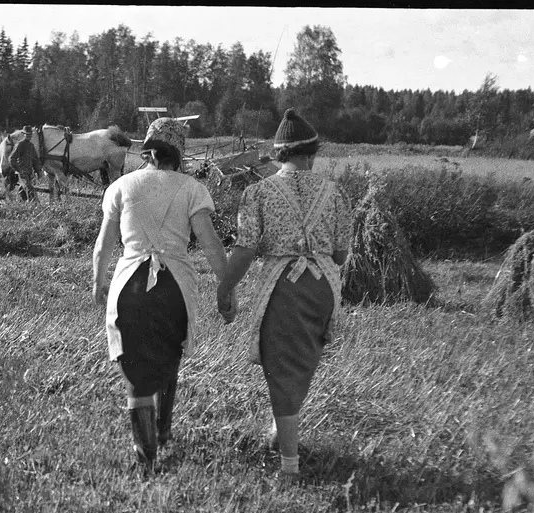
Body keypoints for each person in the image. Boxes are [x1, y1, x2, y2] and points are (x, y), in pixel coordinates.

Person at [216, 108, 351, 481]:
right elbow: (341, 255)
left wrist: (225, 287)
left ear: (279, 154)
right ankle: (280, 429)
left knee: (283, 370)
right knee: (301, 361)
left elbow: (245, 249)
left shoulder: (258, 193)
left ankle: (290, 467)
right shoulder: (336, 192)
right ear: (311, 154)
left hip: (283, 287)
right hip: (323, 288)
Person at [92, 117, 227, 472]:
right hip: (174, 289)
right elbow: (211, 245)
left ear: (148, 150)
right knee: (169, 357)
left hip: (129, 288)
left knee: (136, 375)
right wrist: (226, 287)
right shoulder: (192, 189)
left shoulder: (121, 186)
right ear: (178, 154)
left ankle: (146, 458)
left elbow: (103, 245)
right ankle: (163, 430)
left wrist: (98, 283)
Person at [7, 125, 43, 202]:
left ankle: (22, 203)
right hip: (22, 173)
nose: (29, 136)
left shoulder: (31, 146)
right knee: (31, 192)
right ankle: (36, 205)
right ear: (24, 134)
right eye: (27, 134)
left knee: (24, 191)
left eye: (30, 135)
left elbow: (35, 160)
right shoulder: (20, 145)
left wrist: (39, 172)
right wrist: (19, 170)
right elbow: (11, 159)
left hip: (29, 173)